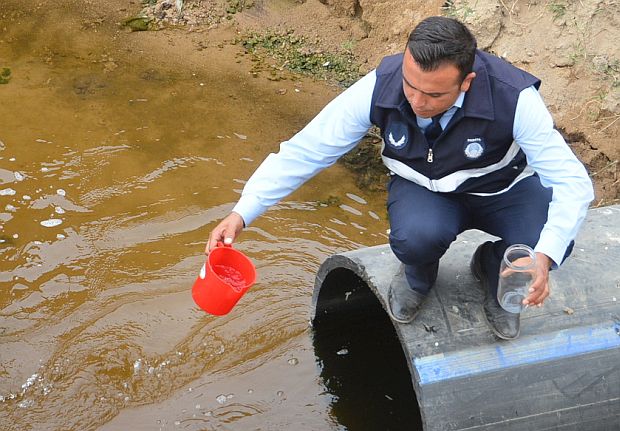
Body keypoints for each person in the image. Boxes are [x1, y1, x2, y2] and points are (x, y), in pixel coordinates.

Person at [207, 16, 594, 340]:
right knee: (415, 238)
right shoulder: (382, 84)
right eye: (410, 85)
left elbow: (573, 182)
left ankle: (495, 269)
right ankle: (418, 277)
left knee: (549, 242)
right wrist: (244, 211)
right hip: (426, 189)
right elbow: (308, 149)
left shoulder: (514, 98)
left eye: (433, 94)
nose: (416, 101)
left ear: (467, 82)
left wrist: (543, 257)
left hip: (501, 188)